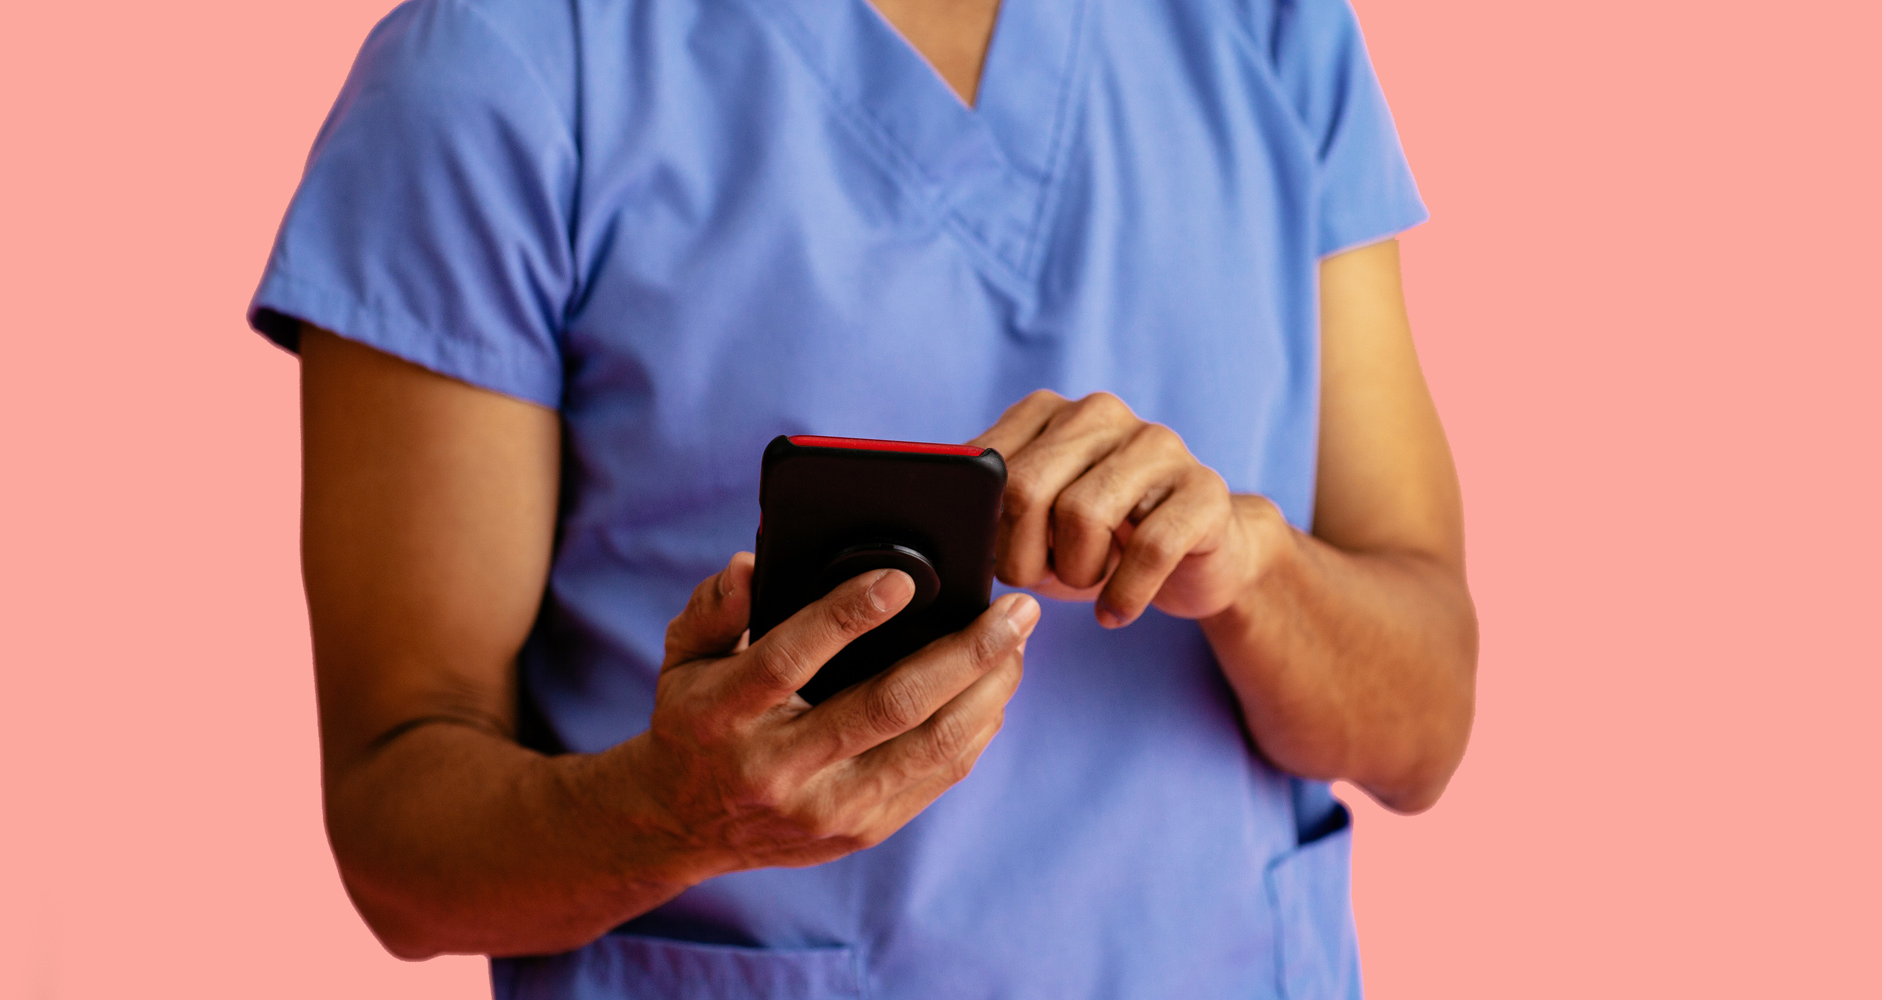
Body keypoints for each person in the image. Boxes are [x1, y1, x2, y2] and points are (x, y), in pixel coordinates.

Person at [247, 0, 1477, 995]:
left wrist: (1255, 573)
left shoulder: (1269, 30)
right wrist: (672, 817)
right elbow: (397, 839)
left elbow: (1425, 722)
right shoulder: (497, 64)